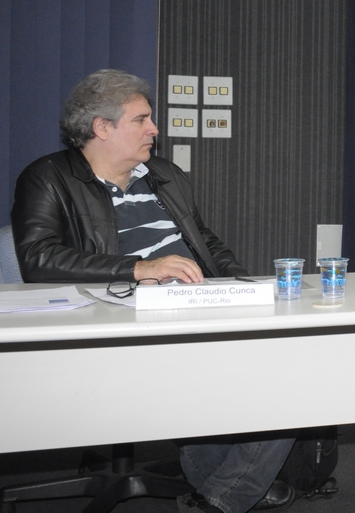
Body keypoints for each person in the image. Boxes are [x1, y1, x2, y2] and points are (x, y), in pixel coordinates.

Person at [11, 69, 295, 513]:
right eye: (141, 119)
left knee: (297, 363)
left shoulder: (164, 174)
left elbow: (205, 241)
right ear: (102, 127)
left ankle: (223, 487)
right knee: (264, 377)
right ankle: (230, 493)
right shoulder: (48, 177)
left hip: (197, 305)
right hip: (119, 321)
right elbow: (39, 259)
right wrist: (141, 268)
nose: (154, 129)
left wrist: (246, 288)